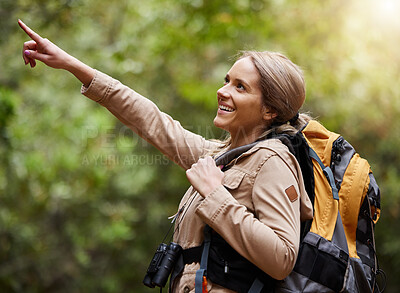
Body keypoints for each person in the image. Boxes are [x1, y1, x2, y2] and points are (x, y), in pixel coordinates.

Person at [19, 19, 313, 292]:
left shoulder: (273, 161)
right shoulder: (219, 155)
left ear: (269, 110)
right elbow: (151, 120)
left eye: (240, 87)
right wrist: (71, 65)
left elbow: (281, 258)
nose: (222, 91)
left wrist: (215, 194)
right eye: (227, 80)